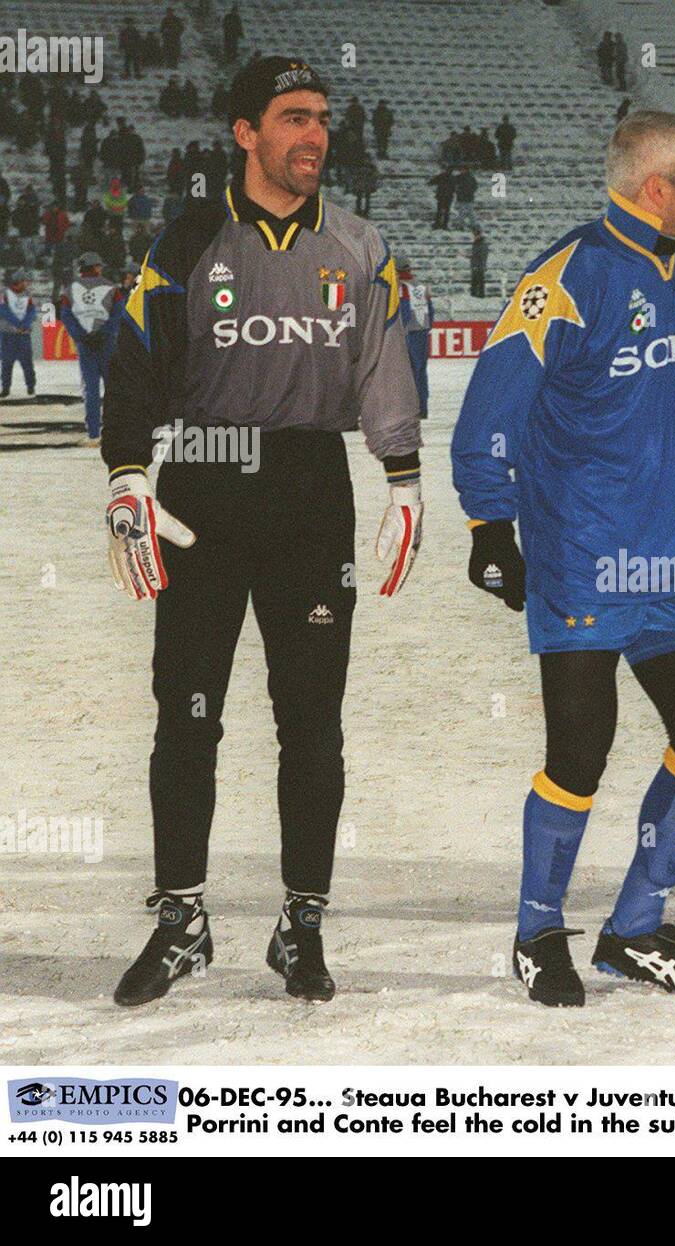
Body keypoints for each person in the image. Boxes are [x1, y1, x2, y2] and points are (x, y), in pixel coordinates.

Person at [103, 56, 423, 1009]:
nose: (313, 135)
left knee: (312, 724)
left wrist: (402, 479)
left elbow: (383, 373)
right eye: (292, 118)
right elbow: (134, 364)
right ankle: (181, 921)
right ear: (245, 132)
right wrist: (128, 474)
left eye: (321, 118)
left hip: (309, 488)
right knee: (186, 717)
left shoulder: (363, 247)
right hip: (204, 490)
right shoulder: (190, 240)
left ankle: (303, 925)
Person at [451, 110, 675, 1006]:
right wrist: (488, 527)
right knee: (580, 752)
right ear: (657, 187)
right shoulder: (568, 275)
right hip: (586, 556)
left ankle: (633, 928)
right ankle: (536, 930)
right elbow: (489, 416)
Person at [59, 251, 118, 443]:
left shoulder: (69, 290)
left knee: (90, 389)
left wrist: (82, 336)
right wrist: (104, 333)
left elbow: (66, 317)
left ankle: (93, 433)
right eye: (99, 266)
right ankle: (114, 430)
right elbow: (118, 316)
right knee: (112, 388)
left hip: (85, 345)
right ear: (95, 267)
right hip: (106, 343)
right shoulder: (111, 287)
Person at [396, 257, 433, 417]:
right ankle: (421, 408)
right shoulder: (421, 286)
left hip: (406, 333)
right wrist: (426, 328)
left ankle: (407, 409)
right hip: (421, 332)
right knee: (420, 371)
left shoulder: (400, 287)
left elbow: (403, 311)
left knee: (404, 372)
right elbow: (431, 312)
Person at [0, 267, 36, 398]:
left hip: (23, 335)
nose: (28, 283)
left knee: (27, 363)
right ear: (19, 281)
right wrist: (18, 324)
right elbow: (3, 311)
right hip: (8, 334)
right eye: (26, 281)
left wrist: (24, 324)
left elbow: (32, 311)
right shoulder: (4, 293)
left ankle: (31, 387)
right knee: (6, 363)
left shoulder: (28, 294)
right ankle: (5, 388)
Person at [469, 224, 487, 297]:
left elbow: (482, 256)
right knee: (476, 282)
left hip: (478, 266)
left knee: (478, 283)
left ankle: (479, 296)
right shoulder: (477, 243)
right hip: (476, 266)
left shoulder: (481, 244)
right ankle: (475, 295)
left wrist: (479, 265)